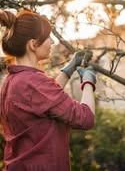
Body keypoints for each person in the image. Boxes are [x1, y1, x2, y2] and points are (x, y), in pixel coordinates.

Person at [0, 9, 96, 171]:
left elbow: (46, 102)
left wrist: (69, 68)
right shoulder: (35, 83)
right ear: (33, 44)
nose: (52, 42)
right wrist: (88, 81)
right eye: (47, 38)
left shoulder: (11, 81)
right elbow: (85, 118)